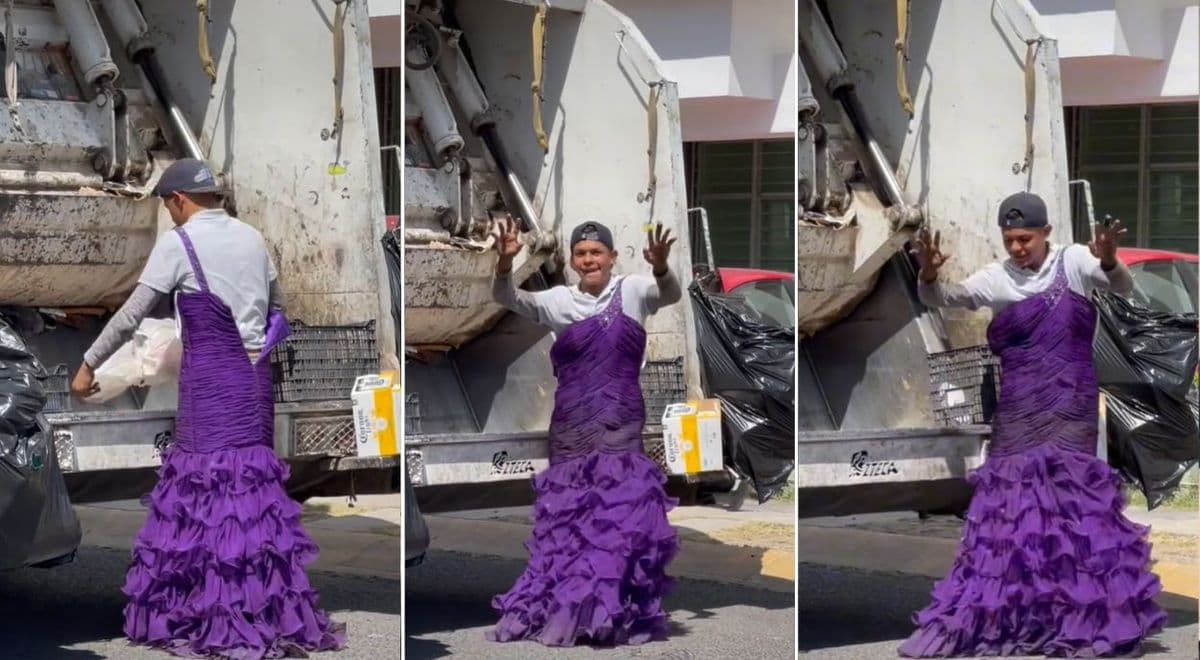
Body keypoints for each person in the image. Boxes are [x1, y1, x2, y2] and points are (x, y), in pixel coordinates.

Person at [71, 158, 346, 658]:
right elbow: (278, 308)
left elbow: (133, 314)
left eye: (167, 206)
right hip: (254, 382)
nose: (169, 215)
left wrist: (89, 363)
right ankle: (259, 609)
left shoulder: (180, 243)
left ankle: (209, 613)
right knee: (248, 497)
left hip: (211, 385)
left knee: (206, 494)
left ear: (179, 199)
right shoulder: (253, 238)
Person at [900, 191, 1167, 657]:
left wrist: (1109, 260)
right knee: (1013, 510)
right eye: (1009, 239)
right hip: (1019, 410)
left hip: (1070, 405)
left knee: (1072, 509)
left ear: (1045, 232)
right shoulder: (997, 277)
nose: (1017, 247)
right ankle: (1018, 616)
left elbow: (1122, 286)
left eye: (1025, 238)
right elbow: (945, 299)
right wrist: (928, 273)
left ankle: (1084, 620)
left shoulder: (1075, 261)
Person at [487, 217, 682, 647]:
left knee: (620, 517)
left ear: (612, 257)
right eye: (581, 253)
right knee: (573, 521)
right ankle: (572, 611)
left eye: (596, 252)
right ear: (572, 260)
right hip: (573, 428)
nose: (589, 259)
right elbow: (505, 297)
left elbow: (669, 294)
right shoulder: (559, 300)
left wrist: (661, 265)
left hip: (619, 423)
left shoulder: (634, 290)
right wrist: (504, 262)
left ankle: (610, 612)